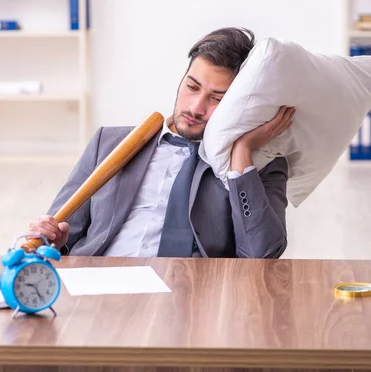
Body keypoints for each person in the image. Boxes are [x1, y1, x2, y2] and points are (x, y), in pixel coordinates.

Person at [28, 27, 294, 258]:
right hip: (101, 286)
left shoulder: (260, 165)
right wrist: (54, 240)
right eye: (192, 87)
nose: (195, 107)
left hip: (193, 296)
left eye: (216, 98)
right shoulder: (108, 143)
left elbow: (262, 255)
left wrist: (242, 152)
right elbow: (59, 232)